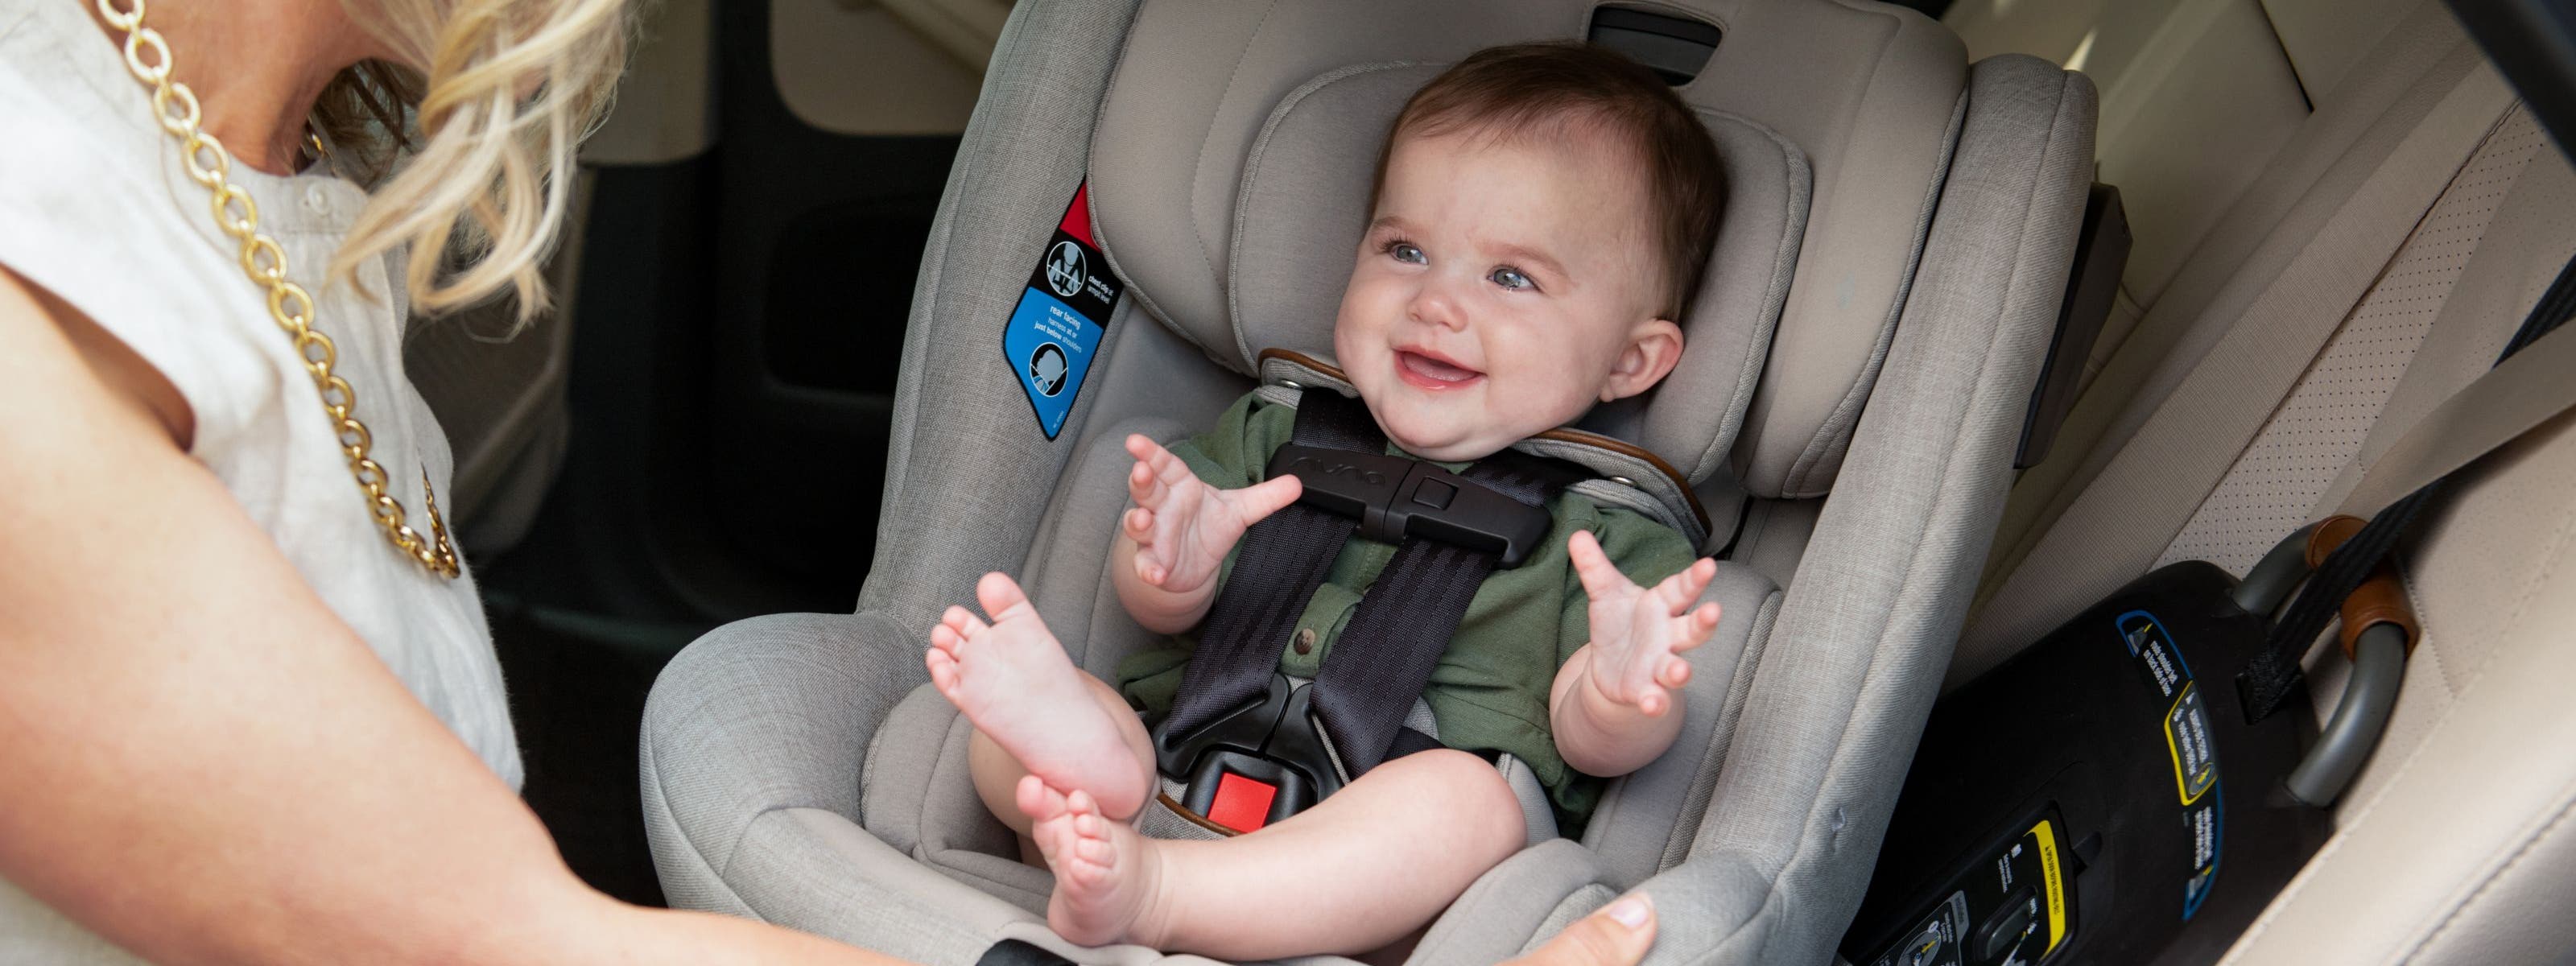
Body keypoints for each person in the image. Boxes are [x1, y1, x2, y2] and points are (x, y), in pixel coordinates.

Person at [925, 43, 1729, 961]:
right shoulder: (1278, 431)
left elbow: (1594, 749)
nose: (1434, 302)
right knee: (1023, 722)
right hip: (1169, 771)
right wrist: (1166, 568)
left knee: (1468, 808)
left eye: (1509, 278)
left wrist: (1623, 695)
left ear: (1631, 359)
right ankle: (1094, 783)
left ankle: (1153, 895)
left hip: (1377, 865)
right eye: (1404, 249)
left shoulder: (1614, 539)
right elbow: (1153, 603)